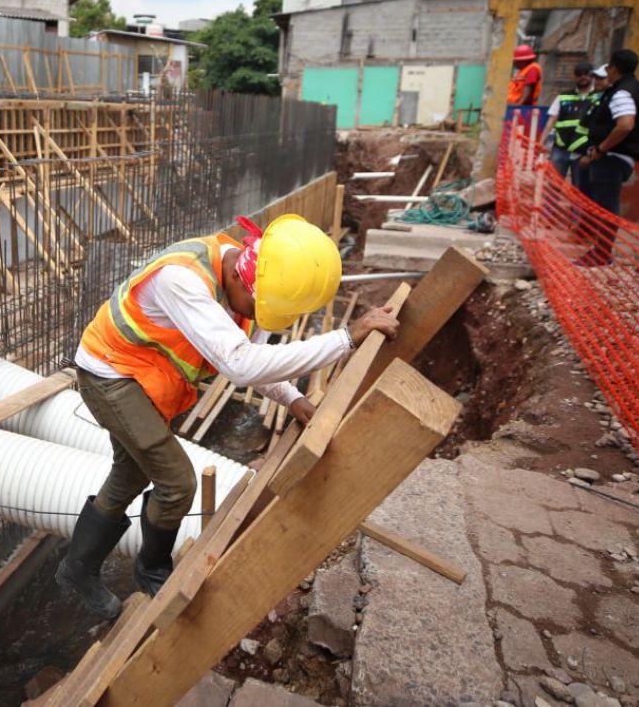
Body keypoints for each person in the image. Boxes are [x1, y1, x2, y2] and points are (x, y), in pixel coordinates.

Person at [56, 215, 399, 617]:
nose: (255, 316)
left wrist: (290, 398)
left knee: (131, 473)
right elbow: (242, 363)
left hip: (142, 378)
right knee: (177, 482)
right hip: (110, 374)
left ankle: (77, 569)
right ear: (239, 278)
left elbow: (249, 353)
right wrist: (344, 339)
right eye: (256, 306)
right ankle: (151, 569)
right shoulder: (182, 280)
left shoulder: (253, 282)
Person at [575, 49, 639, 266]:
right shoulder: (636, 90)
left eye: (608, 67)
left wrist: (600, 149)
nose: (606, 71)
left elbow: (625, 124)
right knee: (603, 203)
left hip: (613, 157)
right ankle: (600, 249)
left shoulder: (623, 92)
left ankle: (601, 252)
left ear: (615, 68)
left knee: (606, 207)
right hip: (617, 156)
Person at [541, 61, 598, 182]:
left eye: (586, 74)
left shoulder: (598, 97)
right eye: (579, 74)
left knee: (580, 189)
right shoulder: (563, 97)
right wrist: (541, 143)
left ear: (592, 76)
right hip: (561, 148)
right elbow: (551, 121)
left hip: (583, 151)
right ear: (574, 76)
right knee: (552, 185)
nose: (583, 77)